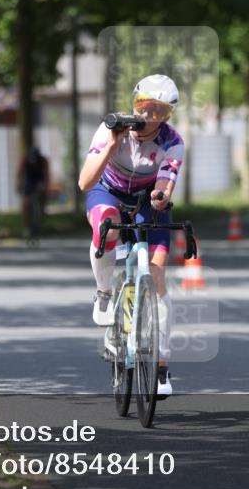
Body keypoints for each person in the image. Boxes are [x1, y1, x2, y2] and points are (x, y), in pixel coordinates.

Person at [78, 74, 184, 398]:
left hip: (146, 198)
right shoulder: (112, 128)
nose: (148, 117)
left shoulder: (172, 140)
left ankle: (161, 364)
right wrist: (112, 143)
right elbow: (84, 182)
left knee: (158, 269)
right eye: (143, 107)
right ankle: (104, 292)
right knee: (106, 223)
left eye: (158, 111)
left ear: (167, 115)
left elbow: (166, 182)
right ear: (134, 103)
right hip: (106, 191)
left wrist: (161, 197)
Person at [17, 147, 50, 239]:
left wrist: (45, 187)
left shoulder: (43, 161)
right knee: (26, 203)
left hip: (39, 178)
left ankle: (42, 212)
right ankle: (26, 227)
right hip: (29, 179)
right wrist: (19, 185)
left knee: (42, 195)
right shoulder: (25, 160)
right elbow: (20, 173)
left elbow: (47, 175)